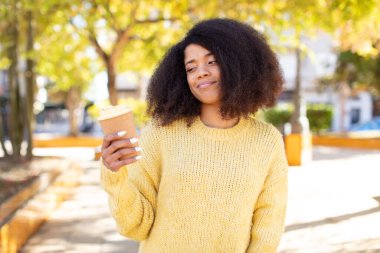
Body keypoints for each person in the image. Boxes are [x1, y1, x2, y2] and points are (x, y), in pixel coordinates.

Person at [100, 18, 288, 253]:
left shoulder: (267, 141)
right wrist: (116, 176)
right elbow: (135, 227)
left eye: (212, 61)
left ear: (238, 63)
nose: (200, 73)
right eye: (191, 67)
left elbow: (267, 230)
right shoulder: (161, 132)